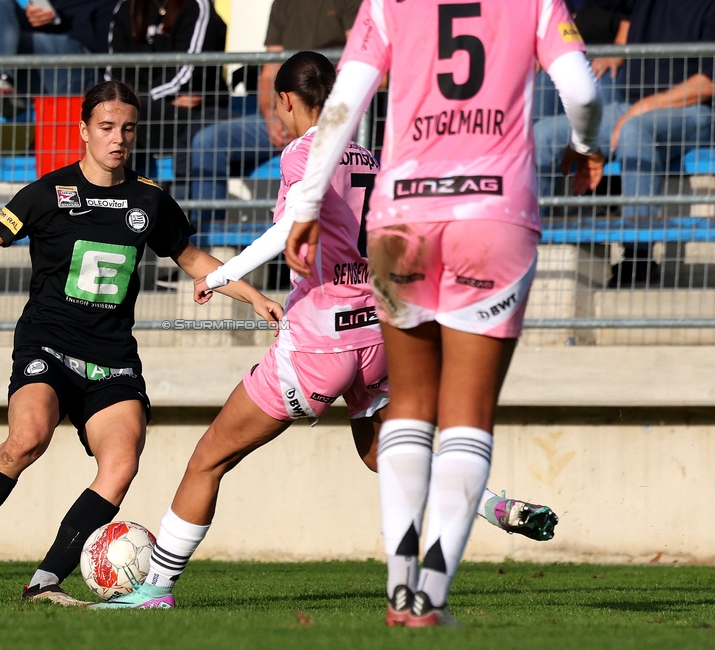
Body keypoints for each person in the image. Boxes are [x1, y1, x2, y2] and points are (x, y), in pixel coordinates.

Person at [91, 52, 560, 611]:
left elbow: (291, 224)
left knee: (210, 457)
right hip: (378, 335)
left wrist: (221, 273)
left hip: (320, 340)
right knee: (381, 453)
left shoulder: (303, 151)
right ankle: (494, 506)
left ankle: (155, 591)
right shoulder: (368, 156)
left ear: (286, 100)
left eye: (278, 104)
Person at [0, 80, 283, 605]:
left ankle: (45, 581)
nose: (118, 139)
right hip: (46, 347)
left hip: (113, 360)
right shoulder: (48, 194)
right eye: (106, 128)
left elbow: (193, 260)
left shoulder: (150, 199)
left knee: (121, 464)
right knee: (27, 438)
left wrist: (252, 295)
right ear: (83, 130)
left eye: (128, 129)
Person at [285, 0, 603, 627]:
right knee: (467, 415)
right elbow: (581, 89)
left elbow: (343, 104)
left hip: (403, 216)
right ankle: (429, 595)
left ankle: (400, 586)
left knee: (407, 405)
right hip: (493, 217)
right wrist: (585, 144)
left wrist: (308, 201)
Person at [535, 0, 715, 286]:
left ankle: (637, 255)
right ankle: (529, 237)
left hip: (692, 113)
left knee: (634, 130)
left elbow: (707, 84)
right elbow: (613, 15)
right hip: (630, 109)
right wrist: (617, 53)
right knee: (544, 134)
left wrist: (641, 108)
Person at [188, 0, 361, 223]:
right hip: (285, 115)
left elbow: (358, 65)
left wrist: (307, 124)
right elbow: (269, 72)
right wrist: (274, 118)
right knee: (207, 142)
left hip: (330, 120)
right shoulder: (283, 4)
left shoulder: (351, 3)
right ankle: (206, 242)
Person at [0, 0, 114, 154]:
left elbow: (106, 32)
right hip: (47, 59)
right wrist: (35, 17)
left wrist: (54, 21)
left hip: (84, 62)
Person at [107, 0, 231, 179]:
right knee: (112, 120)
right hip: (145, 110)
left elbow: (186, 70)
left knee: (127, 118)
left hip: (196, 113)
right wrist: (143, 99)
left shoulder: (196, 5)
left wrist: (138, 99)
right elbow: (115, 71)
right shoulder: (126, 6)